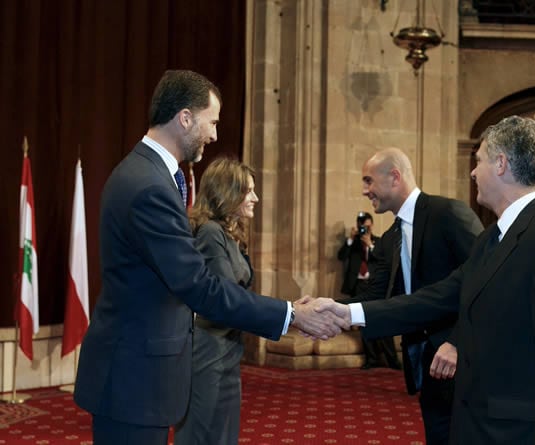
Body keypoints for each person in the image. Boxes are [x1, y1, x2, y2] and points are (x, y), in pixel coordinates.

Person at [73, 69, 346, 445]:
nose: (215, 134)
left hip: (138, 373)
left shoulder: (151, 173)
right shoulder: (149, 184)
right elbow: (197, 284)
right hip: (132, 378)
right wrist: (291, 314)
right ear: (184, 118)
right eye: (211, 121)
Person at [321, 116, 535, 444]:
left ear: (500, 164)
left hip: (521, 433)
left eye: (478, 160)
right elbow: (437, 297)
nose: (472, 171)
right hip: (480, 424)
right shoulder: (492, 238)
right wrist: (347, 313)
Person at [343, 148, 483, 444]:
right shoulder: (390, 238)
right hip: (424, 362)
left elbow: (487, 281)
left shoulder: (448, 213)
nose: (364, 190)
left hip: (467, 360)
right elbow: (373, 299)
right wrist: (319, 309)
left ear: (394, 177)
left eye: (369, 181)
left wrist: (458, 342)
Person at [174, 158, 259, 444]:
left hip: (228, 350)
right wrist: (288, 316)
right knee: (202, 434)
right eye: (248, 192)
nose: (255, 198)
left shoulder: (230, 234)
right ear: (228, 192)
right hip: (208, 353)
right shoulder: (210, 232)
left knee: (222, 435)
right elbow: (226, 298)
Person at [338, 212, 400, 370]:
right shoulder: (354, 244)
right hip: (359, 285)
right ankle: (371, 359)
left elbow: (383, 260)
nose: (364, 229)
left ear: (371, 225)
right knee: (363, 323)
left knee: (384, 323)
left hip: (376, 286)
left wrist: (370, 245)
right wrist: (351, 240)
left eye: (367, 226)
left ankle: (392, 360)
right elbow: (341, 256)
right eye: (361, 227)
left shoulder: (379, 242)